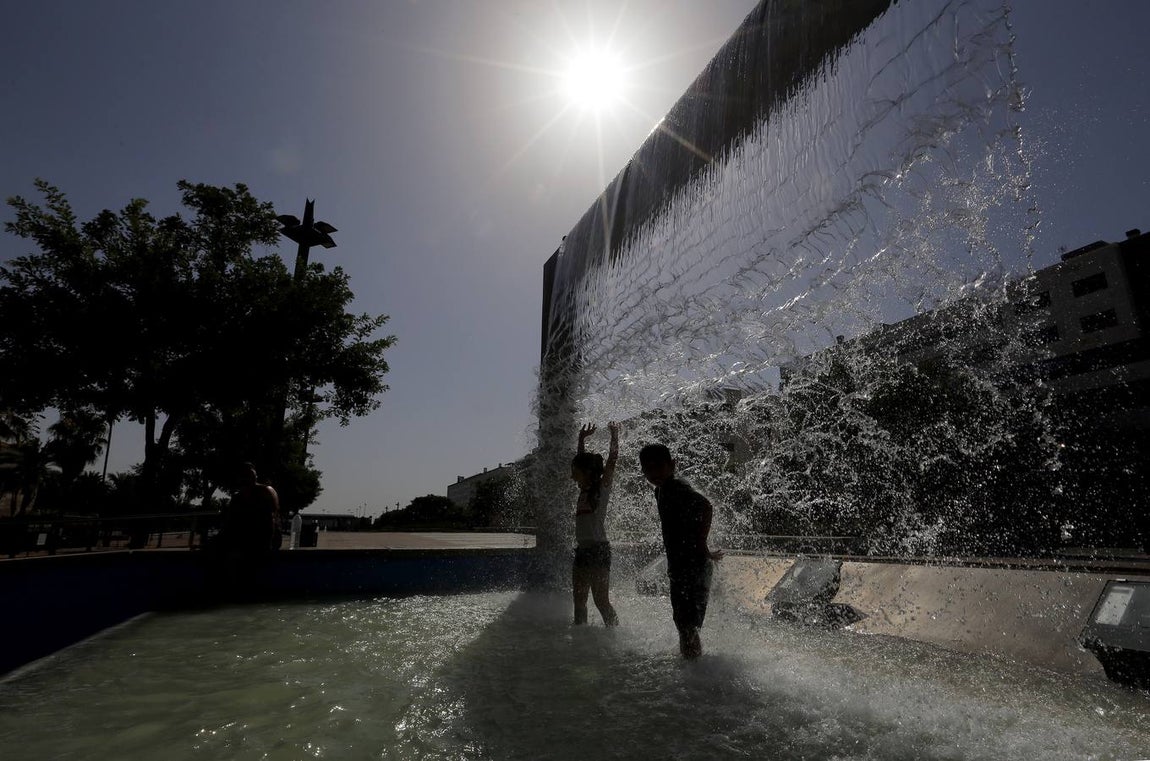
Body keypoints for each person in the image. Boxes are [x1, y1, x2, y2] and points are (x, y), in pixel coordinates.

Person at [638, 443, 722, 659]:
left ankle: (693, 667)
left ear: (672, 465)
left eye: (658, 467)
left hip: (693, 565)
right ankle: (692, 663)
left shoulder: (676, 488)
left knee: (686, 624)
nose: (653, 473)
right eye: (647, 469)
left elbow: (705, 506)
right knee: (684, 623)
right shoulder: (661, 490)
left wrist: (703, 545)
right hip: (682, 565)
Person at [571, 421, 620, 626]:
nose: (572, 474)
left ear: (587, 473)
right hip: (582, 550)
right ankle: (579, 636)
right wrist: (581, 440)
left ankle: (614, 633)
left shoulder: (601, 488)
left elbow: (612, 460)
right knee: (579, 601)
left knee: (601, 601)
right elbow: (581, 461)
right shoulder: (583, 489)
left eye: (575, 471)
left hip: (598, 550)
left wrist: (614, 435)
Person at [224, 461, 281, 554]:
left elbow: (271, 519)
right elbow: (230, 522)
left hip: (264, 541)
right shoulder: (237, 498)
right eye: (244, 476)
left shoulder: (266, 491)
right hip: (245, 541)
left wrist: (268, 546)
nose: (247, 479)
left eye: (250, 475)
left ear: (255, 477)